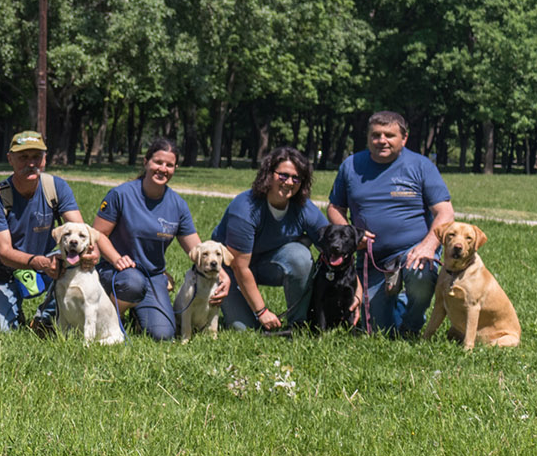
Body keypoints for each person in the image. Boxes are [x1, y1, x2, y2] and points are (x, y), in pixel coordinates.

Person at [327, 111, 454, 335]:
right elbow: (335, 207)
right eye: (376, 135)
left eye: (389, 135)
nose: (382, 140)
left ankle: (411, 325)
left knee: (421, 275)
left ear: (404, 139)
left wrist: (428, 246)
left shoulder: (421, 166)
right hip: (372, 257)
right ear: (368, 137)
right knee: (378, 331)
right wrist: (352, 235)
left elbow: (445, 212)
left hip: (413, 251)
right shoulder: (351, 166)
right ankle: (399, 303)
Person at [92, 138, 228, 341]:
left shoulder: (178, 205)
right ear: (146, 162)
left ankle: (137, 313)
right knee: (133, 282)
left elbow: (198, 248)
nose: (163, 169)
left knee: (163, 335)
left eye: (169, 165)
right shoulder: (121, 194)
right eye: (158, 162)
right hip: (118, 272)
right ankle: (107, 321)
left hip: (153, 276)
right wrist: (116, 258)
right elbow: (98, 233)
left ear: (175, 169)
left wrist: (223, 275)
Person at [0, 131, 91, 332]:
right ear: (10, 159)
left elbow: (79, 229)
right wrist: (39, 262)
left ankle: (45, 317)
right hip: (5, 270)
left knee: (78, 260)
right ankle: (13, 308)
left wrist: (92, 252)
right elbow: (4, 252)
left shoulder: (56, 187)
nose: (31, 163)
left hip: (48, 262)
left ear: (45, 159)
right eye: (23, 157)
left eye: (36, 157)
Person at [212, 146, 328, 331]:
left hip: (267, 265)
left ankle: (298, 323)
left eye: (296, 178)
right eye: (283, 176)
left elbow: (331, 244)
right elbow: (239, 267)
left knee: (300, 256)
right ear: (268, 174)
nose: (289, 182)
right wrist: (262, 312)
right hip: (231, 271)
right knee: (245, 329)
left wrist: (356, 287)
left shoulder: (304, 208)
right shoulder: (245, 208)